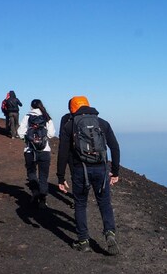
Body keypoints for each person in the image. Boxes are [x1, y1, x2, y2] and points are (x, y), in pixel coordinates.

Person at [56, 95, 121, 254]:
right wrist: (115, 172)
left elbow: (62, 153)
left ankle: (83, 241)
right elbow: (115, 147)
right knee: (104, 203)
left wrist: (61, 177)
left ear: (72, 108)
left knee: (80, 204)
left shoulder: (69, 126)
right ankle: (110, 234)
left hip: (80, 170)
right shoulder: (102, 123)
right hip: (101, 169)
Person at [18, 99, 56, 208]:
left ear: (31, 107)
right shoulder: (46, 117)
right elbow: (52, 134)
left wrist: (28, 140)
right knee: (43, 176)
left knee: (31, 173)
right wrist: (43, 139)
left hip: (29, 151)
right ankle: (43, 199)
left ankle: (35, 193)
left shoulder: (27, 116)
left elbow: (20, 132)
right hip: (44, 151)